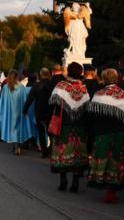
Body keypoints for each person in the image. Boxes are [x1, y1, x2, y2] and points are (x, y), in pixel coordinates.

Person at [87, 68, 124, 203]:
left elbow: (92, 116)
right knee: (116, 161)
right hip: (120, 133)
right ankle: (112, 190)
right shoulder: (123, 94)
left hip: (103, 133)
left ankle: (106, 187)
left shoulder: (99, 94)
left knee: (104, 159)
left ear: (104, 79)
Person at [48, 62, 90, 192]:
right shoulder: (83, 87)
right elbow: (86, 106)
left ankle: (63, 180)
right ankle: (75, 182)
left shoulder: (61, 86)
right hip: (79, 125)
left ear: (69, 72)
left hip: (64, 124)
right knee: (77, 152)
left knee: (63, 151)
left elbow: (53, 103)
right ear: (80, 73)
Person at [0, 69, 35, 155]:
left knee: (12, 128)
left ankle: (15, 145)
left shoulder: (6, 87)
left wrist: (3, 110)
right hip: (19, 110)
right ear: (17, 76)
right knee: (18, 128)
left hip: (10, 112)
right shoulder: (21, 87)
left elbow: (2, 101)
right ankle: (17, 145)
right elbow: (25, 99)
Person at [23, 68, 52, 158]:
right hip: (50, 111)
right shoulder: (52, 85)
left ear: (41, 74)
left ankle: (44, 152)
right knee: (51, 132)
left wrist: (25, 110)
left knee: (41, 132)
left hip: (39, 111)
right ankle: (51, 149)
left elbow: (29, 99)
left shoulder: (36, 86)